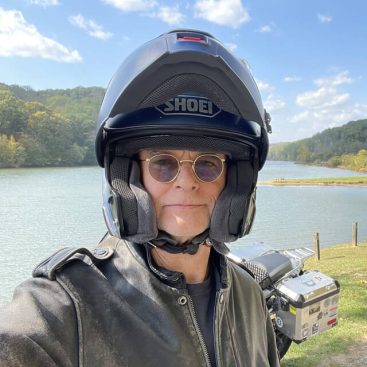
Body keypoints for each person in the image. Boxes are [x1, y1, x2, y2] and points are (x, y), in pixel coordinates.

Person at [0, 29, 279, 367]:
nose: (187, 182)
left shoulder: (249, 295)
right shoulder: (70, 302)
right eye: (163, 163)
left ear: (234, 181)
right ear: (131, 177)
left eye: (208, 164)